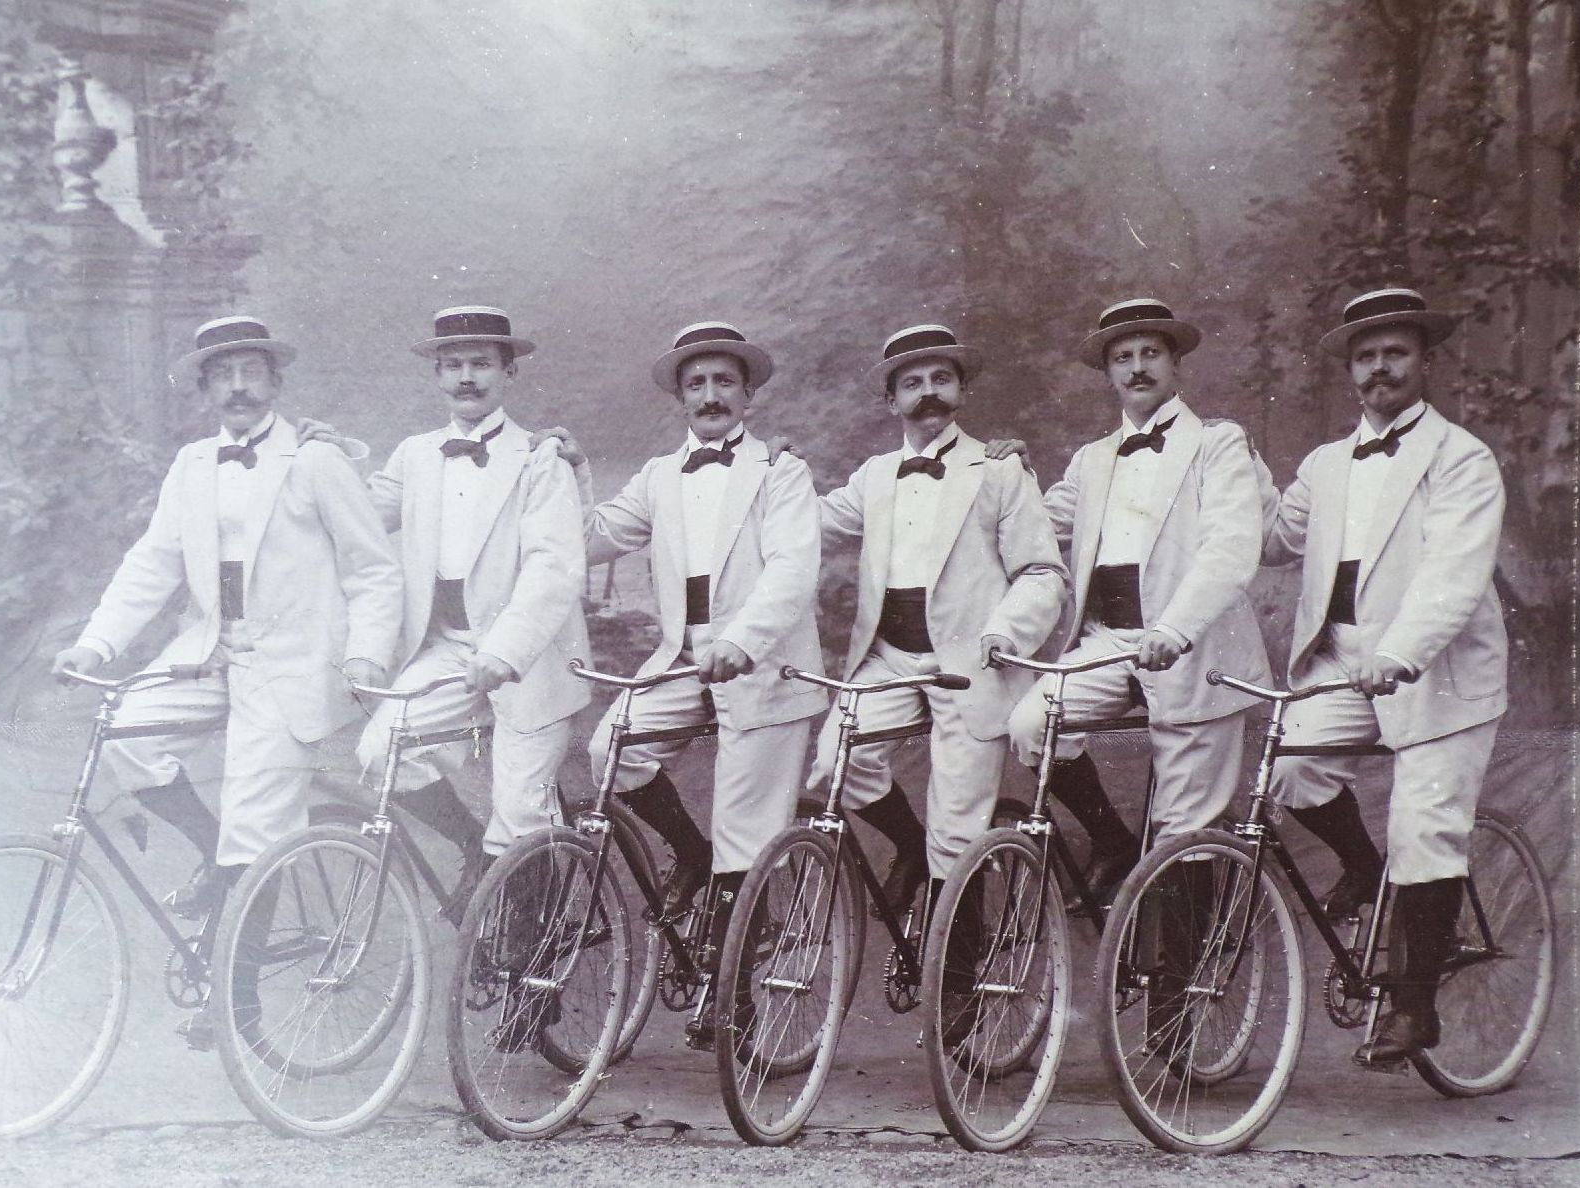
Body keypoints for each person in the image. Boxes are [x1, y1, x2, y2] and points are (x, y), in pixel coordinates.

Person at [51, 315, 402, 1046]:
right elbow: (154, 562)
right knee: (124, 730)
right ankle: (217, 861)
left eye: (251, 372)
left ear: (275, 382)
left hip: (291, 666)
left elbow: (373, 569)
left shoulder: (316, 462)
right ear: (206, 388)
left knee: (258, 826)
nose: (238, 386)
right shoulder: (192, 466)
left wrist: (367, 654)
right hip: (212, 651)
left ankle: (234, 1008)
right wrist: (97, 644)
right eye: (223, 374)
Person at [545, 321, 826, 1051]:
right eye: (695, 383)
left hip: (762, 665)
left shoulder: (781, 473)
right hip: (682, 658)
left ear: (747, 394)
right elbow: (590, 535)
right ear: (680, 397)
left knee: (746, 824)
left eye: (723, 381)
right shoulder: (661, 476)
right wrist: (571, 471)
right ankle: (689, 853)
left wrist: (743, 640)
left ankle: (730, 1000)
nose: (710, 395)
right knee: (612, 750)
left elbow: (793, 569)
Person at [1264, 287, 1508, 1065]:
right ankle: (1367, 874)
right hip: (1341, 656)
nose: (1379, 369)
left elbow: (1452, 576)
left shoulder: (1461, 458)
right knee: (1293, 770)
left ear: (1424, 361)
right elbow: (1268, 537)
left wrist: (1401, 651)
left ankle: (1414, 1007)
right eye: (1365, 357)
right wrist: (1217, 464)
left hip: (1435, 667)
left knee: (1422, 826)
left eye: (1394, 353)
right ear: (1350, 372)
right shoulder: (1327, 464)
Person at [1007, 299, 1273, 911]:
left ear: (1176, 364)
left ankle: (1181, 984)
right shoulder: (1092, 459)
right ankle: (1112, 841)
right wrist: (1005, 479)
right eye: (1122, 358)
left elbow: (1232, 545)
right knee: (1031, 726)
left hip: (1191, 644)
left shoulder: (1218, 443)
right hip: (1110, 640)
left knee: (1186, 829)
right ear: (1108, 375)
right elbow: (1037, 528)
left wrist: (1177, 628)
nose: (1136, 368)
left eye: (1150, 353)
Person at [812, 324, 1066, 937]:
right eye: (911, 383)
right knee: (834, 764)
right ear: (891, 401)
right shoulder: (874, 476)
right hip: (890, 658)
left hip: (970, 663)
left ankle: (958, 989)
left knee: (960, 831)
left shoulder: (1000, 469)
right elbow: (802, 522)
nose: (928, 393)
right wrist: (774, 469)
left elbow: (1042, 571)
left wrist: (1006, 632)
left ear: (961, 390)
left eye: (941, 379)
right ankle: (910, 846)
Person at [351, 307, 590, 923]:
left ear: (508, 373)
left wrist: (504, 651)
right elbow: (356, 515)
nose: (466, 377)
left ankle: (532, 969)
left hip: (529, 657)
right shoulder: (415, 455)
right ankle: (471, 848)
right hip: (450, 648)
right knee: (382, 753)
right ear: (436, 375)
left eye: (481, 364)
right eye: (452, 364)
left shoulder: (541, 458)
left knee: (522, 815)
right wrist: (323, 459)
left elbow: (553, 567)